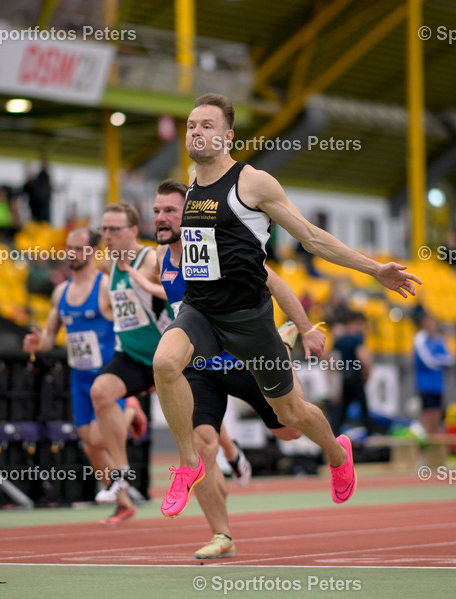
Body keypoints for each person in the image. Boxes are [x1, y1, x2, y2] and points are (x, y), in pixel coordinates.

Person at [152, 93, 420, 517]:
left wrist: (374, 270)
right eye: (190, 125)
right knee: (165, 363)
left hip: (249, 318)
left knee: (291, 413)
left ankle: (337, 453)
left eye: (206, 126)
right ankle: (188, 466)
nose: (196, 132)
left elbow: (311, 238)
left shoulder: (253, 182)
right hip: (200, 309)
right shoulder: (191, 181)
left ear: (227, 136)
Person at [129, 178, 324, 558]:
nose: (161, 218)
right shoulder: (158, 257)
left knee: (289, 431)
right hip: (203, 367)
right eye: (156, 211)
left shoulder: (217, 249)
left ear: (192, 214)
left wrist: (305, 328)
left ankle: (280, 344)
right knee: (202, 445)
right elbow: (166, 291)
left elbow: (276, 283)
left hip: (245, 358)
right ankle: (222, 534)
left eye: (170, 210)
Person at [23, 227, 147, 525]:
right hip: (79, 380)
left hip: (108, 379)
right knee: (90, 444)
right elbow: (51, 338)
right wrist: (37, 341)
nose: (71, 254)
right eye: (68, 248)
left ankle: (130, 411)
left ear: (93, 252)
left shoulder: (105, 287)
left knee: (100, 440)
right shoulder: (60, 292)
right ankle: (124, 504)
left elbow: (131, 323)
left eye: (78, 249)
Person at [88, 202, 168, 520]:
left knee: (201, 429)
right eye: (103, 229)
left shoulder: (151, 259)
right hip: (132, 357)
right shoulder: (110, 266)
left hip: (168, 356)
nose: (107, 236)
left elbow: (181, 291)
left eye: (114, 229)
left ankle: (231, 456)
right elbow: (113, 309)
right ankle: (121, 471)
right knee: (101, 392)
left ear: (133, 231)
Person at [330, 311, 373, 432]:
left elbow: (330, 359)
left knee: (342, 410)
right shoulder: (357, 339)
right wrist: (367, 372)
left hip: (345, 377)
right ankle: (369, 433)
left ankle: (335, 433)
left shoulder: (340, 340)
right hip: (356, 377)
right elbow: (364, 358)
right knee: (363, 407)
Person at [413, 312, 454, 436]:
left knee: (437, 414)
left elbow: (450, 359)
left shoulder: (440, 340)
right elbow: (428, 361)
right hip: (425, 384)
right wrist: (440, 360)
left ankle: (432, 446)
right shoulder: (420, 340)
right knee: (427, 414)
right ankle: (423, 447)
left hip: (438, 385)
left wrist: (438, 360)